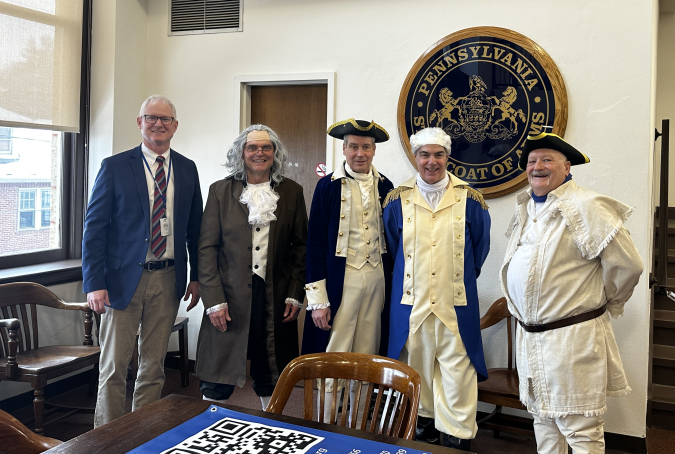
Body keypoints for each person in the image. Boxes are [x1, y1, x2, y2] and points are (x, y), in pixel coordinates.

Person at [500, 132, 643, 454]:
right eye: (532, 161)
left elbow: (628, 265)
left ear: (568, 168)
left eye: (547, 159)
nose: (537, 166)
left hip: (571, 339)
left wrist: (607, 301)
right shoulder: (525, 207)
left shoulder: (587, 206)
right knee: (543, 420)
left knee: (580, 428)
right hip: (531, 338)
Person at [82, 95, 203, 427]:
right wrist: (94, 283)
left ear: (175, 126)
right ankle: (106, 438)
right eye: (151, 118)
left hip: (168, 278)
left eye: (165, 119)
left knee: (153, 366)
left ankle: (141, 433)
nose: (158, 124)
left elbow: (195, 229)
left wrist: (196, 276)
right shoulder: (115, 166)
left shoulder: (188, 168)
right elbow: (94, 229)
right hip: (121, 282)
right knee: (114, 367)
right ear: (139, 122)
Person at [382, 127, 491, 451]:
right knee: (415, 370)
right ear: (415, 157)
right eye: (425, 155)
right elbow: (392, 246)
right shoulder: (396, 200)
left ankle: (458, 438)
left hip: (455, 304)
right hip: (411, 306)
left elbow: (479, 249)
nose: (432, 162)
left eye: (438, 154)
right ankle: (423, 430)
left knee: (459, 374)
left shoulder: (471, 200)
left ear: (448, 157)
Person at [194, 125, 307, 410]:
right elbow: (207, 249)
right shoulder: (220, 191)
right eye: (252, 147)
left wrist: (295, 293)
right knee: (218, 370)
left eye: (266, 147)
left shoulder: (292, 192)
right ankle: (210, 428)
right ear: (241, 153)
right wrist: (214, 300)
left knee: (271, 367)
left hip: (274, 293)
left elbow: (301, 248)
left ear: (275, 153)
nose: (259, 153)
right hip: (228, 294)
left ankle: (272, 429)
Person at [301, 119, 395, 413]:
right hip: (343, 280)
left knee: (367, 353)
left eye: (366, 147)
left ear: (374, 150)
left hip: (376, 279)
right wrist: (317, 300)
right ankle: (327, 420)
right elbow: (314, 243)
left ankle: (357, 421)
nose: (359, 153)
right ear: (344, 149)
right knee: (335, 353)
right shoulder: (326, 187)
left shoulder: (387, 186)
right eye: (353, 146)